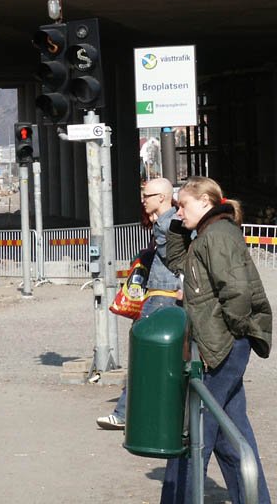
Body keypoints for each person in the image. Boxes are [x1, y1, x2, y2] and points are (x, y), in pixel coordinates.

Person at [160, 176, 272, 504]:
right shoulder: (207, 235)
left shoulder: (219, 235)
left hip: (222, 347)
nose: (178, 211)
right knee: (230, 436)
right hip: (224, 345)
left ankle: (178, 498)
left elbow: (236, 292)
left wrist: (227, 337)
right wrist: (178, 229)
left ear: (206, 202)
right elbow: (179, 263)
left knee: (192, 431)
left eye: (184, 204)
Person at [96, 177, 182, 430]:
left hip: (160, 298)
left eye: (148, 196)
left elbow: (174, 259)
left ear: (162, 198)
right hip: (167, 297)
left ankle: (125, 414)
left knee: (142, 355)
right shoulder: (171, 222)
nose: (143, 200)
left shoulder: (167, 224)